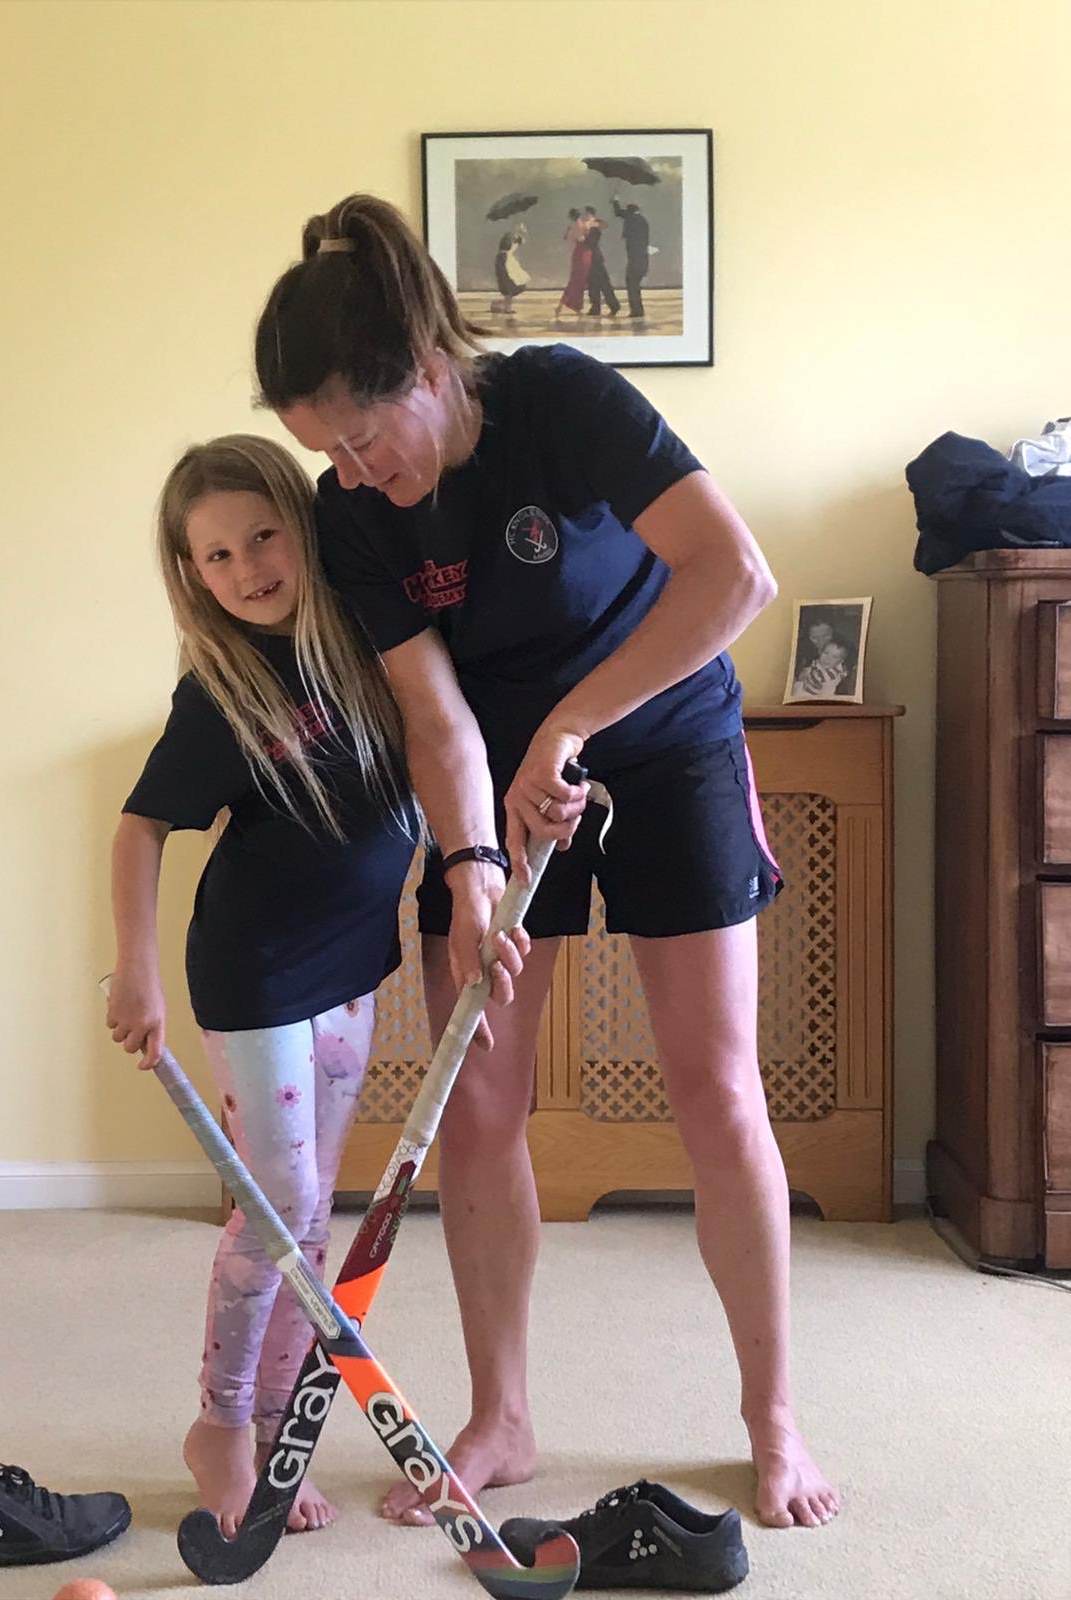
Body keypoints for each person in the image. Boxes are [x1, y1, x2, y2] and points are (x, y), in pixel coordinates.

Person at [252, 194, 840, 1532]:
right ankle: (504, 1413)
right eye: (322, 453)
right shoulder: (355, 518)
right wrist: (464, 866)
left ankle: (772, 1416)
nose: (345, 472)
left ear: (424, 368)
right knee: (482, 1098)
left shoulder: (562, 400)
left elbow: (731, 576)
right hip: (496, 772)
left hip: (665, 722)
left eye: (357, 436)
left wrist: (579, 721)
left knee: (714, 1086)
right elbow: (433, 712)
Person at [105, 434, 420, 1538]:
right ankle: (222, 1424)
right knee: (272, 1215)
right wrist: (136, 969)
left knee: (306, 1215)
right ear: (193, 575)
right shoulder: (222, 688)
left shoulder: (368, 638)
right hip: (258, 979)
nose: (247, 568)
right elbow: (142, 824)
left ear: (302, 523)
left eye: (263, 536)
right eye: (217, 556)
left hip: (352, 969)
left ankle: (284, 1412)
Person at [612, 194, 651, 318]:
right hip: (642, 258)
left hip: (635, 259)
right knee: (635, 285)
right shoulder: (642, 220)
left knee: (632, 284)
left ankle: (636, 311)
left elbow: (618, 213)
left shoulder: (632, 219)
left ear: (630, 212)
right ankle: (638, 310)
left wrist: (615, 201)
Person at [582, 206, 621, 318]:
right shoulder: (587, 226)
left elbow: (603, 225)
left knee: (603, 283)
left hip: (595, 258)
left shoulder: (594, 226)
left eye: (586, 214)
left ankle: (612, 305)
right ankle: (596, 307)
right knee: (594, 284)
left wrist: (590, 225)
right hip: (591, 258)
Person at [554, 208, 592, 319]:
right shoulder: (579, 225)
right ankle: (564, 306)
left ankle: (574, 306)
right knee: (577, 281)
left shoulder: (572, 226)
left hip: (580, 253)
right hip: (583, 253)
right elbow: (581, 239)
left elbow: (567, 238)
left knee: (577, 281)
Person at [490, 225, 529, 317]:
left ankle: (500, 305)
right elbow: (508, 268)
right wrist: (515, 277)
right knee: (509, 292)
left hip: (505, 274)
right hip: (506, 275)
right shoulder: (505, 255)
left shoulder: (504, 254)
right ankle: (506, 307)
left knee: (509, 294)